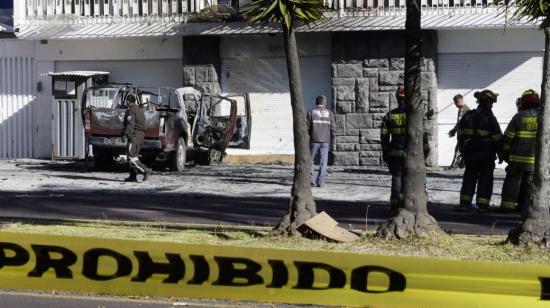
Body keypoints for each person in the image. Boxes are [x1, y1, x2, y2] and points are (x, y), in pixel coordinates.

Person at [380, 88, 430, 213]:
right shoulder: (416, 115)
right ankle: (419, 202)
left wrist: (386, 153)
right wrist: (425, 152)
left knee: (397, 177)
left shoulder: (389, 116)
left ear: (397, 98)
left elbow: (384, 137)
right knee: (419, 178)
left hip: (395, 154)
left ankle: (395, 204)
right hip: (414, 154)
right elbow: (423, 136)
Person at [456, 89, 502, 212]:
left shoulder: (468, 115)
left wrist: (462, 149)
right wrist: (501, 154)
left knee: (469, 177)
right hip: (486, 155)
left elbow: (460, 134)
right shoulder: (490, 118)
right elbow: (497, 138)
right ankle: (483, 206)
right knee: (485, 179)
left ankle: (464, 204)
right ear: (490, 102)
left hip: (470, 153)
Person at [499, 89, 540, 213]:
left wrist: (504, 152)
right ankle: (524, 207)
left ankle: (507, 207)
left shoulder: (518, 117)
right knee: (529, 185)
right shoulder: (543, 117)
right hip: (535, 162)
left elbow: (508, 138)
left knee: (512, 183)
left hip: (517, 160)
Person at [308, 95, 336, 188]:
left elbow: (307, 127)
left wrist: (310, 135)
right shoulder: (330, 113)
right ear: (324, 103)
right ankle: (320, 182)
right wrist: (332, 139)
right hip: (325, 141)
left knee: (310, 161)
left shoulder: (311, 112)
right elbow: (333, 129)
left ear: (316, 103)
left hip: (314, 140)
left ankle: (311, 180)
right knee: (323, 162)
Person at [121, 93, 150, 182]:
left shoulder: (131, 110)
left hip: (134, 136)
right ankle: (132, 177)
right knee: (134, 156)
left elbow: (130, 124)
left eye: (126, 101)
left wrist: (125, 134)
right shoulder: (139, 110)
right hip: (140, 136)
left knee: (131, 157)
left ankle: (145, 170)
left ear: (128, 101)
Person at [447, 94, 470, 170]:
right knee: (462, 150)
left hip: (463, 135)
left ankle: (453, 167)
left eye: (455, 103)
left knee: (458, 150)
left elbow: (460, 123)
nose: (455, 105)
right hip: (464, 135)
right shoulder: (464, 109)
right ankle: (463, 163)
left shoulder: (463, 109)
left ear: (458, 101)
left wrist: (454, 131)